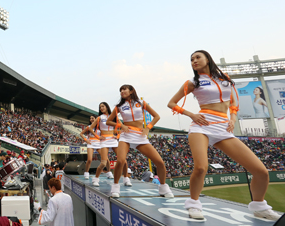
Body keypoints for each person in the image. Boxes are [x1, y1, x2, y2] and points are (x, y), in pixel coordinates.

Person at [167, 50, 280, 220]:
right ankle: (194, 205)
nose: (194, 61)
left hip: (223, 128)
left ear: (207, 59)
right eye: (191, 59)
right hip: (201, 126)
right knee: (201, 167)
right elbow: (171, 103)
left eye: (198, 57)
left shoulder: (225, 79)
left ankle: (259, 207)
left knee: (261, 171)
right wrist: (192, 115)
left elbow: (234, 102)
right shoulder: (193, 82)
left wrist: (233, 119)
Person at [106, 84, 173, 198]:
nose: (122, 92)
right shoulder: (119, 106)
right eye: (120, 90)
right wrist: (121, 125)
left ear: (131, 91)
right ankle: (116, 186)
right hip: (126, 135)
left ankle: (163, 187)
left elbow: (157, 116)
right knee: (121, 161)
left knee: (159, 162)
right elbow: (108, 121)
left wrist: (148, 128)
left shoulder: (141, 103)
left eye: (124, 89)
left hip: (140, 136)